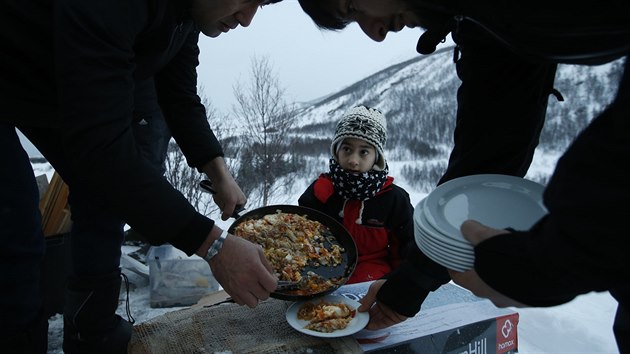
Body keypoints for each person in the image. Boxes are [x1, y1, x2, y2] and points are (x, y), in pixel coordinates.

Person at [294, 0, 630, 352]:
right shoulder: (483, 25)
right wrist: (410, 285)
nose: (374, 33)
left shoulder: (392, 199)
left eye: (352, 6)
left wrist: (568, 247)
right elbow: (489, 151)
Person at [0, 0, 284, 352]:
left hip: (53, 86)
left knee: (104, 197)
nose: (247, 19)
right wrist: (214, 246)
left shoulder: (187, 14)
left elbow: (178, 95)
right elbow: (104, 148)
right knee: (13, 226)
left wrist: (217, 169)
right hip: (15, 68)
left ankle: (91, 331)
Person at [298, 105, 415, 284]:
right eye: (346, 149)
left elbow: (406, 248)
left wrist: (396, 283)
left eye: (364, 152)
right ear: (336, 151)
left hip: (373, 279)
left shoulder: (393, 199)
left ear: (377, 157)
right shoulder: (321, 191)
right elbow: (300, 236)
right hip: (322, 272)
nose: (353, 160)